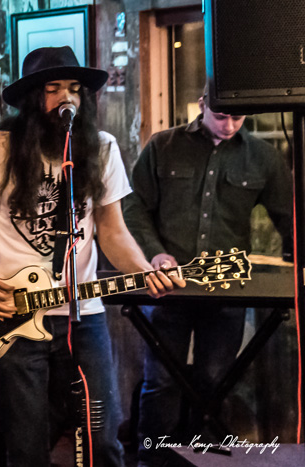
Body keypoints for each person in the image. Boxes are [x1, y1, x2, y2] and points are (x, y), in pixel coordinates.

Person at [0, 46, 184, 466]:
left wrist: (145, 272)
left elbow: (112, 229)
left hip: (84, 315)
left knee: (103, 440)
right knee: (27, 447)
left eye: (74, 89)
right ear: (34, 98)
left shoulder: (101, 149)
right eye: (53, 89)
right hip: (9, 319)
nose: (66, 98)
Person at [123, 84, 292, 466]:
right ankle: (153, 459)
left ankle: (200, 458)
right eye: (221, 115)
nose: (230, 124)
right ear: (201, 105)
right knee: (161, 382)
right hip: (169, 286)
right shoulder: (162, 146)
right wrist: (154, 253)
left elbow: (289, 218)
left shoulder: (263, 157)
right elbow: (133, 208)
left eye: (238, 117)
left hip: (227, 289)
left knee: (215, 380)